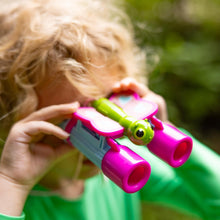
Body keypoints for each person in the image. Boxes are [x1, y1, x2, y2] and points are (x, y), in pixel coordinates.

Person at [0, 0, 219, 220]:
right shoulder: (10, 196)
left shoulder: (120, 164)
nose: (98, 132)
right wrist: (12, 184)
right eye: (71, 119)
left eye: (107, 103)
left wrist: (165, 132)